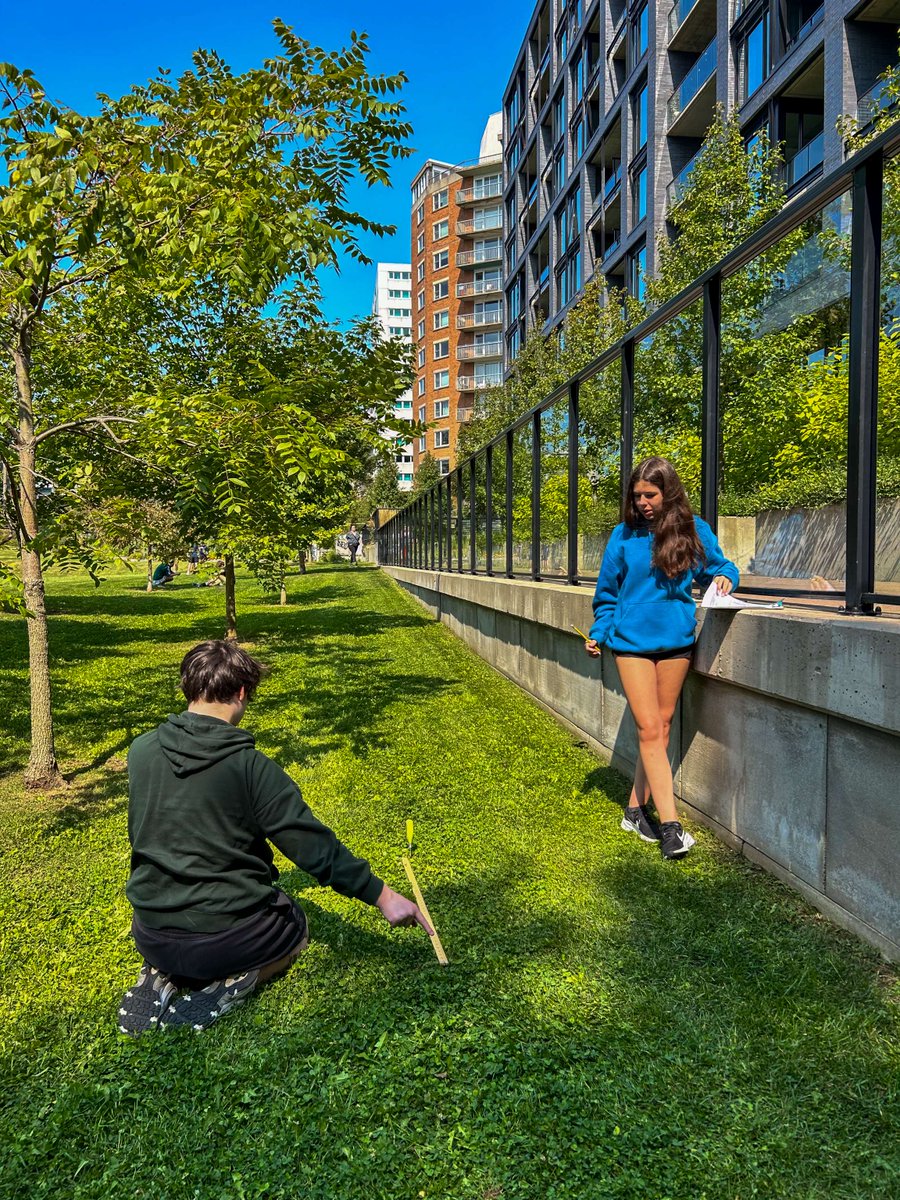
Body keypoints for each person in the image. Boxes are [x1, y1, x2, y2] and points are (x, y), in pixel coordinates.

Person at [117, 640, 431, 1035]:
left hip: (150, 932)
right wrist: (382, 896)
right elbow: (311, 847)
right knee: (295, 925)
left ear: (188, 687)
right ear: (242, 692)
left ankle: (163, 971)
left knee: (188, 938)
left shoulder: (140, 750)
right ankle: (232, 982)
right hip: (223, 943)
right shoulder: (251, 767)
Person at [583, 457, 739, 860]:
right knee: (650, 728)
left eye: (650, 495)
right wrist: (599, 632)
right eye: (637, 496)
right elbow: (607, 595)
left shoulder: (693, 529)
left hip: (677, 642)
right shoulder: (623, 535)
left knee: (662, 727)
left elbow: (719, 567)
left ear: (668, 492)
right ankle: (671, 827)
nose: (642, 503)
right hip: (630, 644)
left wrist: (726, 577)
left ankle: (635, 811)